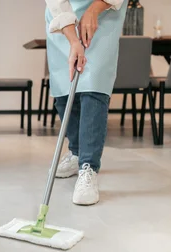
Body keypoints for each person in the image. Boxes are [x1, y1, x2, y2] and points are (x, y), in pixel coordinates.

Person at [45, 0, 127, 205]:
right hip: (63, 20)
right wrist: (73, 40)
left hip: (105, 15)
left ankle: (88, 166)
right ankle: (76, 152)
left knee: (94, 87)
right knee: (64, 91)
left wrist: (95, 8)